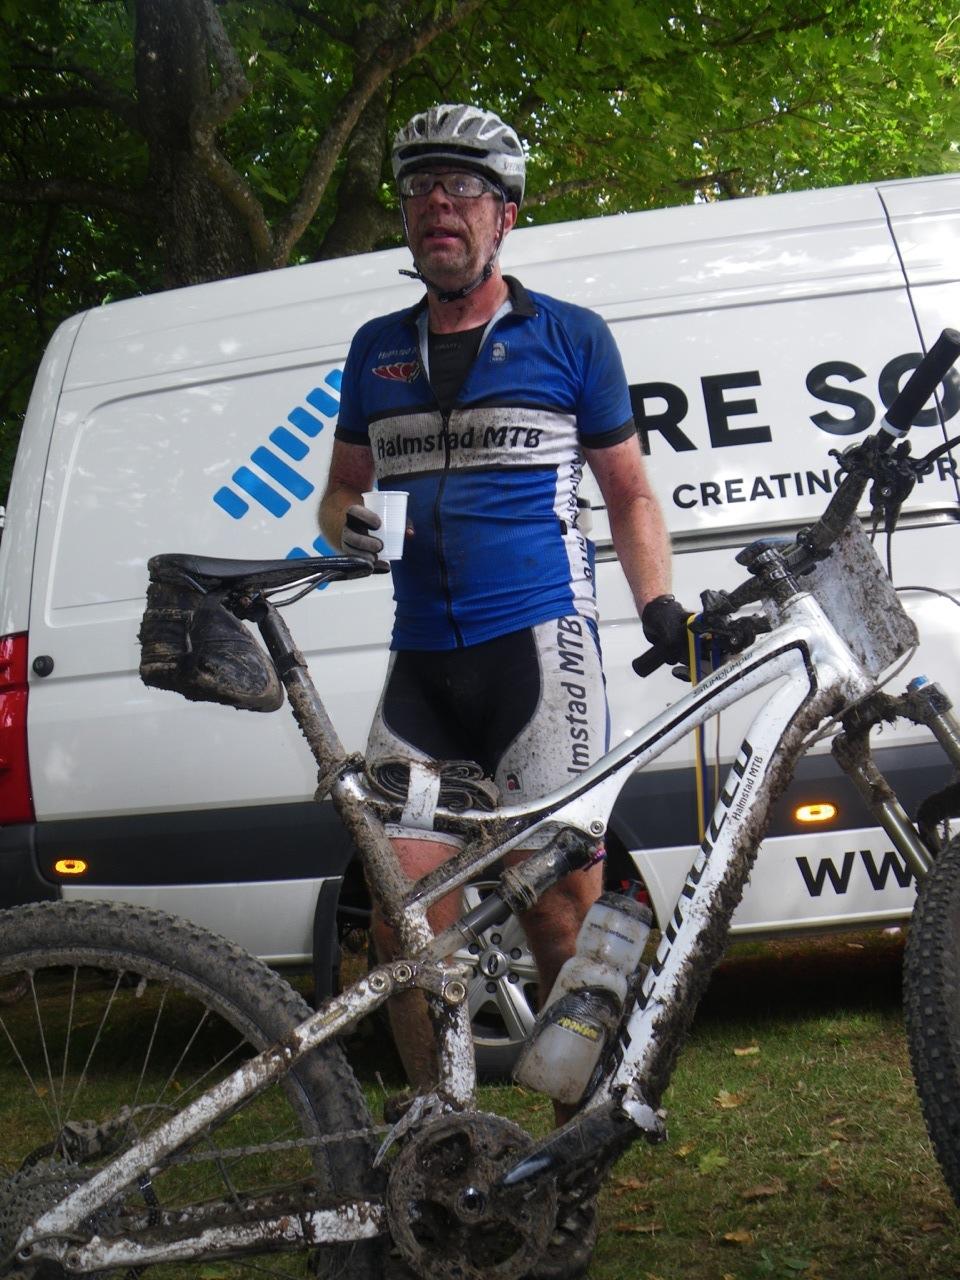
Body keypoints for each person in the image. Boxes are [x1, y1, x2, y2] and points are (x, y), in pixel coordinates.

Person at [319, 100, 684, 1098]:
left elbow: (630, 493)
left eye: (464, 187)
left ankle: (585, 1133)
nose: (439, 203)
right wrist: (342, 520)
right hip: (422, 672)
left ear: (504, 214)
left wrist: (657, 604)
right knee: (404, 921)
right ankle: (447, 1135)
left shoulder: (569, 336)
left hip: (537, 652)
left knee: (554, 910)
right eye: (420, 188)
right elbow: (341, 489)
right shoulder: (375, 349)